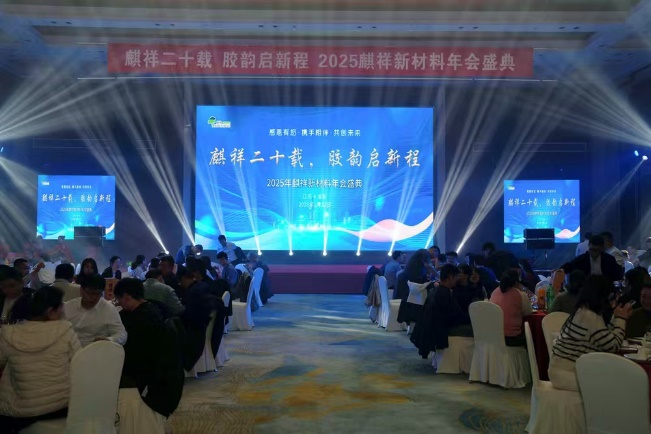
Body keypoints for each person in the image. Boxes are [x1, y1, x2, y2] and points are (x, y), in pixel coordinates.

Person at [0, 286, 81, 433]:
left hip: (24, 413)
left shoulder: (8, 334)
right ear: (51, 312)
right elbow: (79, 364)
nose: (63, 311)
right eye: (61, 307)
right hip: (61, 407)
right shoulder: (65, 330)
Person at [114, 279, 183, 432]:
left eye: (118, 299)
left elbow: (133, 355)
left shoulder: (140, 319)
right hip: (161, 371)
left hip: (148, 376)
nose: (118, 303)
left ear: (127, 297)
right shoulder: (154, 309)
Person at [549, 275, 632, 391]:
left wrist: (616, 317)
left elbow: (604, 338)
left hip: (561, 371)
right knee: (617, 384)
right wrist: (621, 319)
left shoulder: (582, 311)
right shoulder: (590, 317)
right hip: (568, 375)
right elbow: (613, 346)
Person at [411, 264, 469, 357]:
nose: (457, 280)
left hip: (433, 329)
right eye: (456, 277)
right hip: (441, 331)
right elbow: (456, 316)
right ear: (450, 277)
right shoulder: (445, 294)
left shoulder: (435, 291)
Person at [64, 274, 127, 347]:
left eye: (97, 293)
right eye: (89, 293)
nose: (93, 297)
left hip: (94, 350)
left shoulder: (108, 309)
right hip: (68, 349)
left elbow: (122, 334)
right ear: (81, 290)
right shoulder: (69, 306)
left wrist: (109, 340)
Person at [489, 270, 533, 347]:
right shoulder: (520, 294)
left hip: (495, 336)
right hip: (512, 337)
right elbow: (528, 312)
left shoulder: (494, 292)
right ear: (516, 283)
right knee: (532, 335)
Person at [396, 249, 434, 325]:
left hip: (407, 300)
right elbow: (421, 285)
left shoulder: (410, 269)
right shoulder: (418, 272)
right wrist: (432, 271)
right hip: (416, 303)